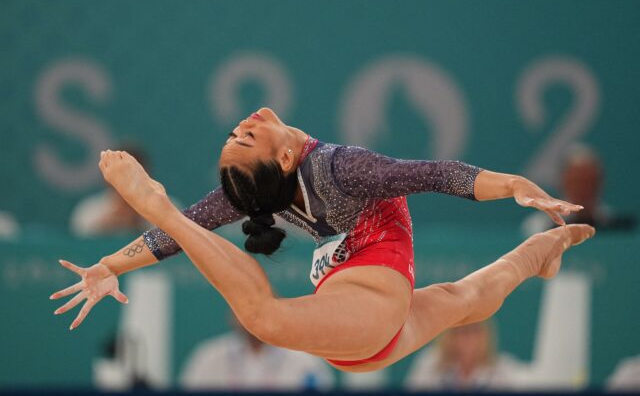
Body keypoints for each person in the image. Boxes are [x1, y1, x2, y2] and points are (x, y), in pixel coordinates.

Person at [50, 107, 594, 372]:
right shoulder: (298, 180)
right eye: (244, 136)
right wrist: (110, 266)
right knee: (464, 301)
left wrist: (515, 186)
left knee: (263, 317)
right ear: (283, 159)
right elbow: (166, 243)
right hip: (356, 326)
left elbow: (437, 173)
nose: (245, 122)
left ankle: (536, 253)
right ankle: (535, 255)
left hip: (371, 305)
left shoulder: (344, 168)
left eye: (238, 134)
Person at [180, 313, 334, 391]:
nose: (253, 316)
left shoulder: (305, 361)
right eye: (243, 308)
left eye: (259, 308)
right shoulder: (208, 357)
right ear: (232, 315)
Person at [522, 144, 635, 236]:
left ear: (599, 183)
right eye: (576, 182)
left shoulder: (619, 228)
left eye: (589, 182)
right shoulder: (538, 227)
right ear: (562, 183)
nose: (583, 189)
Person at [405, 321, 527, 391]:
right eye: (461, 331)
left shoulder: (503, 370)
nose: (468, 338)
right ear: (449, 336)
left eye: (475, 330)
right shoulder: (430, 364)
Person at [70, 145, 151, 237]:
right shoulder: (88, 210)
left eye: (132, 172)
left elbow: (167, 240)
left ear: (146, 173)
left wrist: (139, 221)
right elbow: (79, 245)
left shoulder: (164, 206)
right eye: (122, 172)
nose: (126, 178)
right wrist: (108, 224)